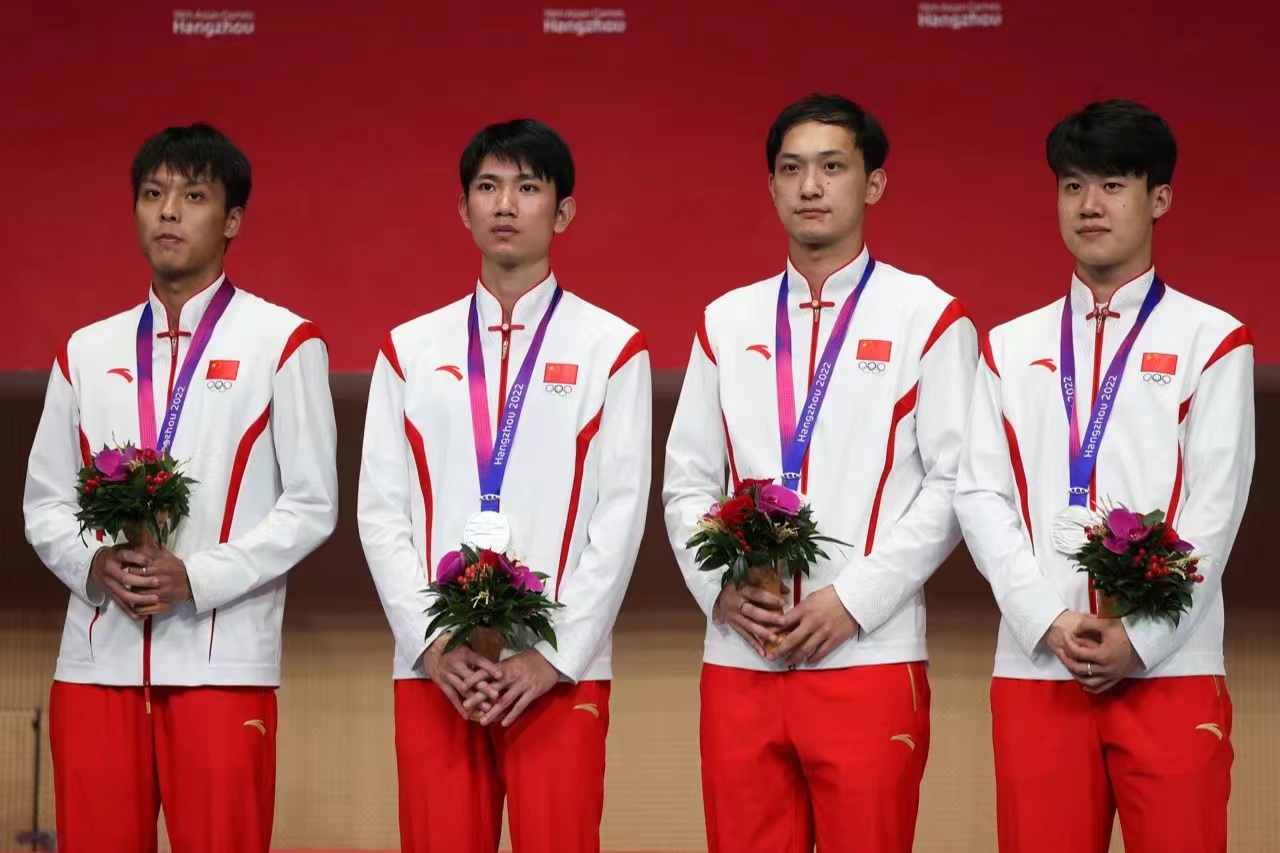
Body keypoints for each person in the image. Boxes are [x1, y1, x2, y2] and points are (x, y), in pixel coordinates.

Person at [662, 92, 977, 853]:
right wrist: (722, 592)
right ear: (771, 185)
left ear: (874, 184)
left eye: (832, 167)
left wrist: (853, 602)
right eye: (791, 168)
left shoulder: (928, 317)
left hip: (867, 654)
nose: (810, 186)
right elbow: (686, 482)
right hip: (741, 654)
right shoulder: (725, 321)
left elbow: (954, 484)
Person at [22, 122, 339, 853]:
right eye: (153, 193)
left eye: (193, 196)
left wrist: (196, 577)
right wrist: (95, 562)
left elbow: (312, 504)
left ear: (232, 221)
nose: (168, 210)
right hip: (94, 665)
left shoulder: (284, 343)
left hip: (221, 667)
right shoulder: (86, 351)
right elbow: (44, 503)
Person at [955, 99, 1254, 853]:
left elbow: (1214, 509)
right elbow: (981, 496)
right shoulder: (1007, 346)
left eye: (1113, 184)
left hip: (1170, 669)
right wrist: (1046, 620)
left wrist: (1141, 638)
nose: (1089, 204)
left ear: (1160, 199)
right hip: (1039, 666)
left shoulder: (1214, 341)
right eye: (1072, 185)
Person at [358, 118, 651, 853]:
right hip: (437, 671)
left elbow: (619, 516)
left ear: (564, 210)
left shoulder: (612, 349)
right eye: (488, 187)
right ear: (464, 209)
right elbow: (381, 512)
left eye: (528, 187)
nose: (506, 204)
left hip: (558, 674)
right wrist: (430, 645)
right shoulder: (408, 349)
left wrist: (554, 655)